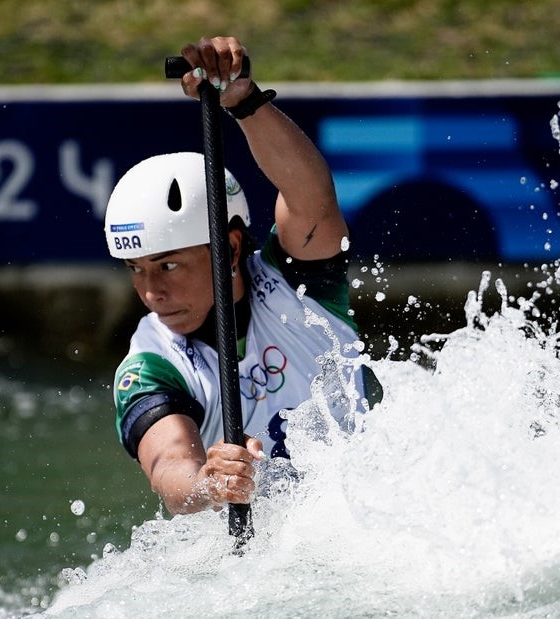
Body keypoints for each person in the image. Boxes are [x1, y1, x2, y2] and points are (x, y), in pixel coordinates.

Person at [104, 36, 377, 515]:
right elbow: (170, 466)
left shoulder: (299, 284)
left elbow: (309, 195)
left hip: (365, 516)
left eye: (168, 265)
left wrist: (244, 102)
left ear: (229, 249)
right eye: (136, 270)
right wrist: (208, 485)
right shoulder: (149, 366)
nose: (152, 292)